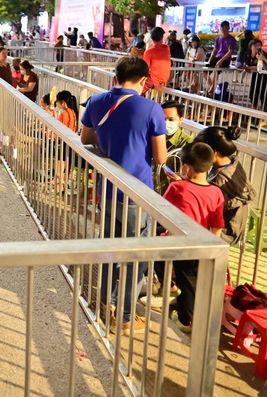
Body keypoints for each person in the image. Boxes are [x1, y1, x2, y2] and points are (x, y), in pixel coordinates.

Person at [80, 57, 167, 333]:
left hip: (106, 188)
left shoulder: (95, 102)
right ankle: (126, 316)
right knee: (135, 255)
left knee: (109, 248)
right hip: (137, 192)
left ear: (115, 77)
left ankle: (105, 304)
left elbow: (85, 138)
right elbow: (161, 156)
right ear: (144, 81)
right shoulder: (151, 108)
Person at [164, 141, 225, 332]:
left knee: (182, 281)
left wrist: (176, 182)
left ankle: (185, 321)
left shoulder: (177, 188)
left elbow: (161, 209)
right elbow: (217, 225)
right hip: (202, 244)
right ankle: (191, 308)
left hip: (178, 242)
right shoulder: (216, 192)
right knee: (192, 281)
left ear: (186, 167)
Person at [194, 125, 256, 246]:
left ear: (214, 152)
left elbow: (205, 209)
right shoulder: (232, 164)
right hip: (234, 226)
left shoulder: (219, 180)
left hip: (223, 232)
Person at [53, 90, 79, 193]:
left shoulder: (64, 114)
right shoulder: (73, 113)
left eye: (58, 101)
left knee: (61, 166)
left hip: (64, 142)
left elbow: (58, 128)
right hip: (71, 142)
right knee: (66, 166)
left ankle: (59, 186)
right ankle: (61, 184)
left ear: (63, 102)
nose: (57, 104)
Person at [142, 27, 171, 94]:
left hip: (152, 80)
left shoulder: (148, 52)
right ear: (162, 37)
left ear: (151, 38)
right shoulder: (167, 48)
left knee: (136, 91)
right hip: (164, 79)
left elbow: (144, 68)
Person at [242, 38, 267, 109]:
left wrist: (250, 68)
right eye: (256, 45)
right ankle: (254, 106)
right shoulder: (247, 53)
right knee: (252, 91)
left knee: (262, 92)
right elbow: (245, 63)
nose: (258, 47)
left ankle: (264, 108)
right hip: (254, 75)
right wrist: (246, 67)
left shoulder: (262, 54)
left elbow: (262, 66)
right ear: (251, 46)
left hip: (263, 75)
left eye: (259, 45)